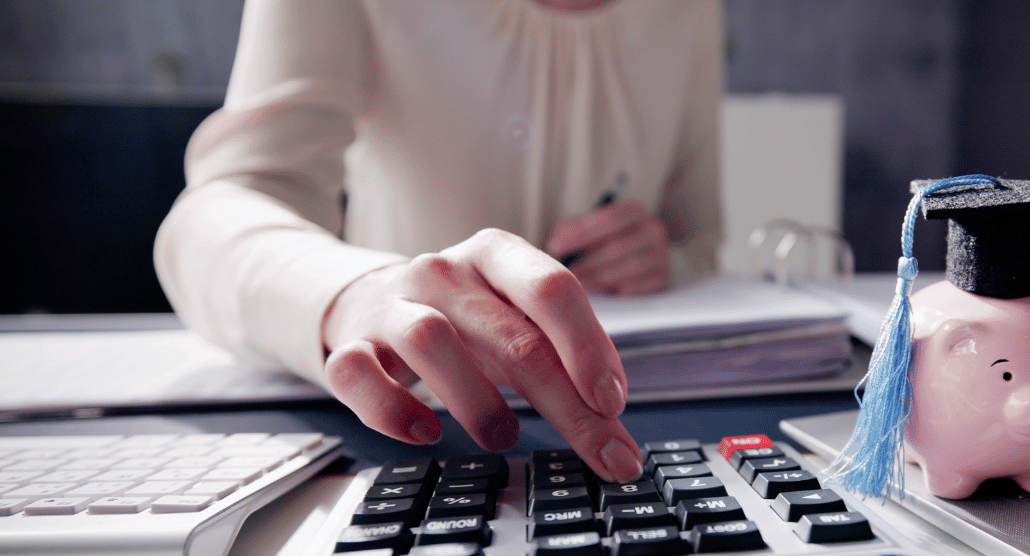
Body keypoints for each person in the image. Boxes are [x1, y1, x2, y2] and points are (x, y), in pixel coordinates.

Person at [154, 0, 724, 483]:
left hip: (652, 411)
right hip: (405, 425)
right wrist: (356, 294)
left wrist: (656, 255)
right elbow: (209, 218)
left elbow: (696, 237)